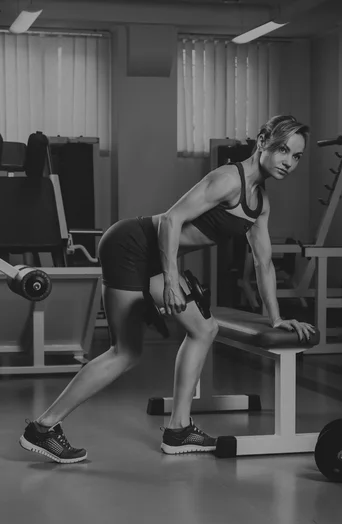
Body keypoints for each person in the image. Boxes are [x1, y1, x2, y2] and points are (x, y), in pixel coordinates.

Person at [19, 114, 316, 464]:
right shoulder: (226, 180)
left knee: (205, 329)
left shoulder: (260, 203)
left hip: (152, 255)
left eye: (296, 156)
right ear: (263, 140)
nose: (288, 162)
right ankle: (43, 428)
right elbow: (172, 220)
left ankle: (179, 429)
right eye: (283, 149)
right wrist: (172, 280)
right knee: (125, 352)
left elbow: (264, 263)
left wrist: (277, 318)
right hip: (131, 244)